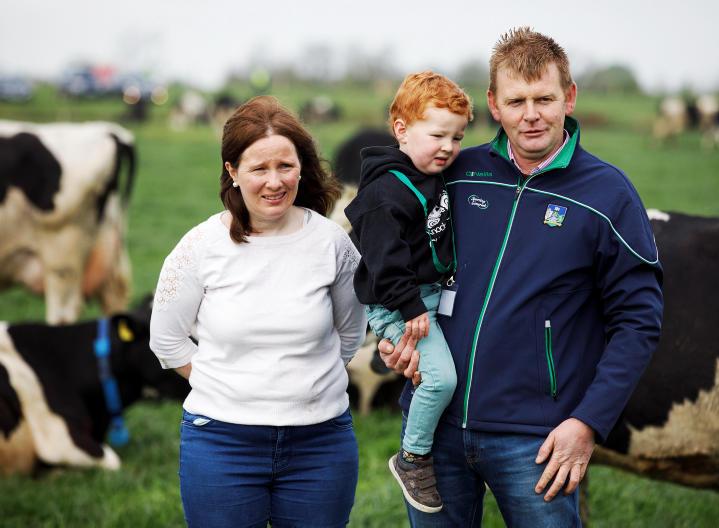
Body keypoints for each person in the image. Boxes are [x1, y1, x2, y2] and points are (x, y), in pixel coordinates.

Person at [379, 27, 664, 527]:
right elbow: (400, 258)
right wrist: (395, 339)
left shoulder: (609, 194)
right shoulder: (454, 173)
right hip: (434, 426)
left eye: (544, 99)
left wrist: (588, 422)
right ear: (494, 104)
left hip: (537, 438)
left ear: (569, 98)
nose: (530, 114)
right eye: (516, 101)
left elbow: (638, 321)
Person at [149, 96, 367, 528]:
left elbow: (350, 332)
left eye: (285, 166)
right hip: (222, 444)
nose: (274, 181)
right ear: (232, 171)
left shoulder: (332, 243)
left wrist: (307, 383)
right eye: (259, 168)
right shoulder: (200, 246)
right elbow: (167, 340)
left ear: (301, 168)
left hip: (320, 444)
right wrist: (227, 386)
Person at [344, 71, 472, 513]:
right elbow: (385, 261)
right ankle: (413, 457)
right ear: (401, 130)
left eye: (457, 137)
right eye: (437, 135)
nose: (448, 147)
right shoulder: (385, 193)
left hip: (425, 297)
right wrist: (410, 307)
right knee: (440, 379)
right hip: (400, 305)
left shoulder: (427, 172)